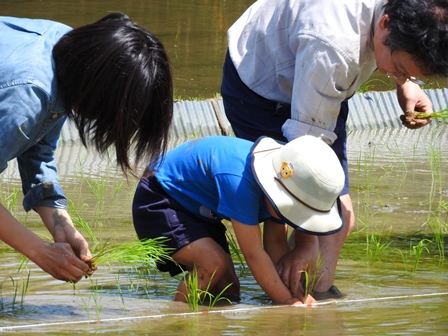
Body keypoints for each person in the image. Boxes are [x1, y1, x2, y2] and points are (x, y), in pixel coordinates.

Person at [221, 0, 448, 299]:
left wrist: (405, 84)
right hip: (260, 84)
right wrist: (305, 243)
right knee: (282, 211)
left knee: (339, 221)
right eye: (401, 69)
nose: (400, 74)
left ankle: (316, 297)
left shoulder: (404, 15)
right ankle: (286, 304)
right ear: (385, 25)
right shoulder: (332, 47)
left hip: (318, 87)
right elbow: (306, 152)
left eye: (410, 72)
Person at [0, 13, 173, 282]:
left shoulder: (72, 54)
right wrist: (40, 251)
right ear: (99, 93)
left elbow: (37, 148)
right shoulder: (30, 94)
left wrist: (61, 225)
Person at [132, 135, 345, 305]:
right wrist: (287, 301)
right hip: (160, 198)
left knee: (227, 289)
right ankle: (178, 315)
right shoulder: (240, 183)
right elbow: (254, 254)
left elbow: (276, 244)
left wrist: (296, 293)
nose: (291, 217)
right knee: (213, 262)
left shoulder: (288, 177)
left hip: (200, 211)